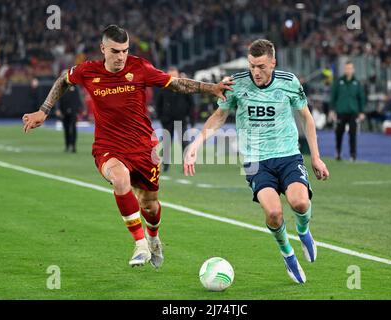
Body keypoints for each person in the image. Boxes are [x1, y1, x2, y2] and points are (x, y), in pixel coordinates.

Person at [22, 25, 233, 269]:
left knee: (150, 206)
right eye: (115, 51)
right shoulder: (88, 71)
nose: (121, 56)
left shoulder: (139, 67)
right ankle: (140, 243)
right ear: (103, 49)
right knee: (120, 179)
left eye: (125, 50)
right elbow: (63, 80)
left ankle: (153, 239)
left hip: (144, 149)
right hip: (108, 147)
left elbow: (176, 83)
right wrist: (44, 110)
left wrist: (211, 88)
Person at [184, 39, 329, 284]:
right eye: (252, 66)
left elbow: (306, 118)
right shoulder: (236, 85)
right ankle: (288, 255)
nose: (256, 72)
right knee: (273, 213)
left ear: (273, 62)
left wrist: (315, 156)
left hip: (288, 155)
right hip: (256, 161)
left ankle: (304, 232)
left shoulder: (289, 82)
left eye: (261, 66)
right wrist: (195, 145)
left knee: (300, 203)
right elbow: (219, 116)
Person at [156, 67, 195, 172]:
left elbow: (191, 104)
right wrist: (161, 117)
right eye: (170, 75)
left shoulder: (184, 87)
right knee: (166, 144)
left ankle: (187, 164)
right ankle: (166, 166)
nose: (173, 77)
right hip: (167, 121)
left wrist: (191, 119)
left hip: (181, 120)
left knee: (184, 143)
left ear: (178, 75)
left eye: (174, 75)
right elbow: (158, 104)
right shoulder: (163, 88)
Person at [329, 61, 366, 161]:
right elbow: (333, 96)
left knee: (353, 134)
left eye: (350, 68)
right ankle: (338, 152)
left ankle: (353, 155)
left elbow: (361, 97)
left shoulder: (357, 83)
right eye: (346, 68)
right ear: (344, 69)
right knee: (339, 133)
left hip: (353, 112)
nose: (348, 70)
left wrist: (362, 111)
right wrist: (332, 110)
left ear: (353, 70)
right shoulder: (339, 82)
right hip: (341, 111)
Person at [55, 83, 84, 153]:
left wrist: (81, 109)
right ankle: (67, 145)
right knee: (66, 129)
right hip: (64, 111)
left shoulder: (76, 87)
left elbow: (79, 98)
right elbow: (58, 98)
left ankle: (73, 146)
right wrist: (58, 109)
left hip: (73, 111)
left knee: (73, 128)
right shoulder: (62, 87)